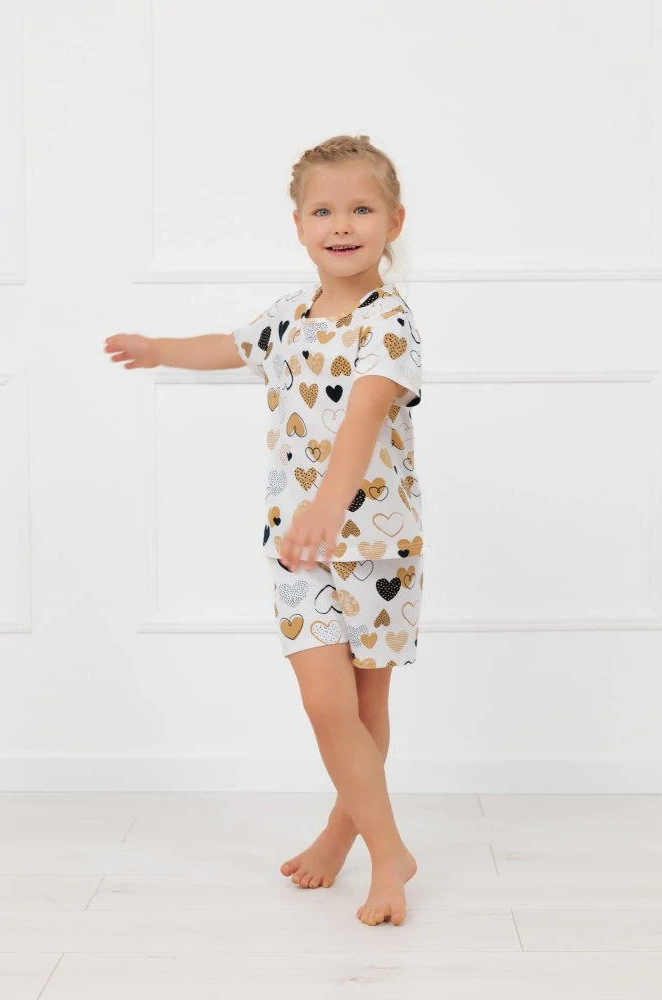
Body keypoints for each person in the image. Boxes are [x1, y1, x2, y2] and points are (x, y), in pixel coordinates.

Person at [104, 134, 423, 926]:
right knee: (324, 705)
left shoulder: (388, 322)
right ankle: (390, 852)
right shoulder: (287, 318)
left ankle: (343, 837)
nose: (341, 224)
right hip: (296, 547)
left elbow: (365, 415)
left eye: (360, 209)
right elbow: (229, 345)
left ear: (392, 222)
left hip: (376, 545)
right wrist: (158, 349)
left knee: (364, 706)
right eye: (323, 210)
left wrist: (329, 504)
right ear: (298, 225)